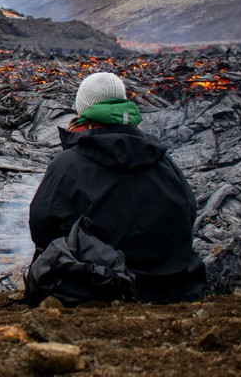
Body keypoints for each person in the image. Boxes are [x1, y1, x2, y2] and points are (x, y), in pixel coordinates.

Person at [29, 71, 207, 303]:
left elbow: (42, 227)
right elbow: (188, 212)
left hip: (101, 285)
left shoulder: (68, 164)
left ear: (82, 108)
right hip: (173, 284)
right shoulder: (162, 159)